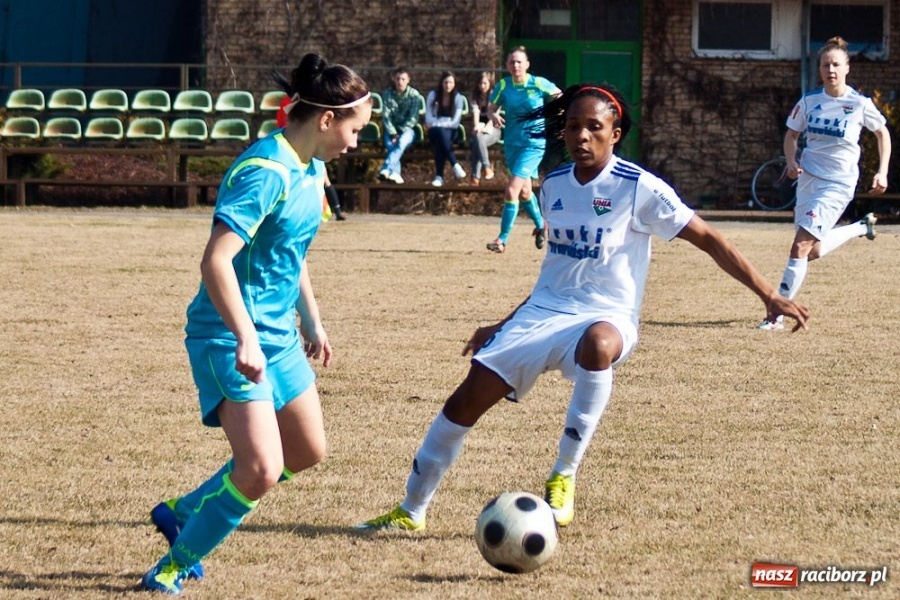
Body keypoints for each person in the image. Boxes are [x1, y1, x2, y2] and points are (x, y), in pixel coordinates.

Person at [356, 83, 809, 533]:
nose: (581, 136)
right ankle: (411, 511)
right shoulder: (553, 184)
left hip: (608, 315)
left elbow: (711, 239)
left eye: (594, 127)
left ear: (615, 133)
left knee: (598, 343)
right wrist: (502, 323)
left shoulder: (639, 187)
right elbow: (556, 274)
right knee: (464, 400)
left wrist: (767, 293)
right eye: (573, 127)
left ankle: (564, 474)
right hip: (544, 313)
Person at [140, 53, 371, 595]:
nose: (357, 143)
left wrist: (312, 319)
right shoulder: (264, 172)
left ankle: (185, 510)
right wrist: (245, 335)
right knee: (262, 469)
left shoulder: (312, 169)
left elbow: (290, 250)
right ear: (326, 120)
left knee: (307, 450)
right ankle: (172, 566)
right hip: (228, 334)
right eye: (355, 130)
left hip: (279, 337)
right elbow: (216, 262)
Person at [758, 37, 891, 331]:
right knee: (812, 251)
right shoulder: (809, 101)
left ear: (847, 68)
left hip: (838, 183)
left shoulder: (858, 103)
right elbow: (791, 136)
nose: (830, 69)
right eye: (825, 64)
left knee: (800, 246)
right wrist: (791, 161)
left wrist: (882, 171)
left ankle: (776, 315)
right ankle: (860, 227)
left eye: (835, 64)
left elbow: (882, 133)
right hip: (808, 181)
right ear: (819, 69)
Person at [485, 46, 560, 253]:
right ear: (507, 65)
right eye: (511, 62)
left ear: (527, 65)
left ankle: (501, 240)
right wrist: (493, 115)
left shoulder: (537, 83)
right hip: (512, 144)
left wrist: (558, 114)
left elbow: (560, 96)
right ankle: (540, 225)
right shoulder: (503, 85)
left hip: (533, 145)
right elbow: (490, 108)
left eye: (519, 62)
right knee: (525, 192)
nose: (515, 65)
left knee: (512, 189)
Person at [275, 73, 347, 220]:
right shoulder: (296, 102)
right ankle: (335, 211)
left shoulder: (309, 101)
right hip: (297, 146)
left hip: (304, 145)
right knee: (320, 180)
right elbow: (282, 122)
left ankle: (336, 211)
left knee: (322, 179)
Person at [378, 66, 424, 185]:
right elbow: (386, 116)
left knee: (401, 142)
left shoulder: (414, 95)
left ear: (408, 80)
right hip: (391, 130)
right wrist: (393, 133)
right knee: (390, 144)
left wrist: (399, 133)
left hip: (407, 130)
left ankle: (386, 169)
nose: (400, 82)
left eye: (403, 79)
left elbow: (413, 118)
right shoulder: (387, 94)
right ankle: (395, 174)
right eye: (398, 79)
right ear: (394, 80)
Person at [424, 70, 468, 187]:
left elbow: (455, 122)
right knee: (439, 133)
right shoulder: (433, 96)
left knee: (441, 140)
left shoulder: (458, 98)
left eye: (450, 83)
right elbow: (428, 118)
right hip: (434, 131)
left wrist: (438, 123)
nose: (448, 85)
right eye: (445, 82)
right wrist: (442, 123)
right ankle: (455, 164)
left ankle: (439, 176)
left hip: (451, 132)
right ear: (441, 83)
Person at [468, 71, 501, 186]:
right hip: (480, 131)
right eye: (480, 83)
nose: (482, 86)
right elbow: (476, 114)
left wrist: (485, 129)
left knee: (477, 141)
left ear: (490, 83)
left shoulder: (495, 96)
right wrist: (477, 127)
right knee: (478, 137)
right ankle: (486, 168)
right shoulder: (474, 96)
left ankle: (475, 176)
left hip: (494, 129)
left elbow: (493, 117)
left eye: (485, 83)